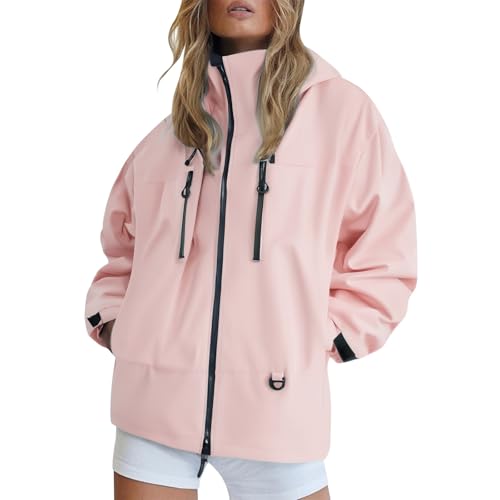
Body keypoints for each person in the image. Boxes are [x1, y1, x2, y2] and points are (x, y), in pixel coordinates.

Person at [84, 0, 418, 498]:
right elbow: (122, 253)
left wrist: (320, 338)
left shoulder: (342, 114)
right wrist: (119, 327)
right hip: (151, 405)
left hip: (279, 408)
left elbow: (386, 252)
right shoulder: (171, 135)